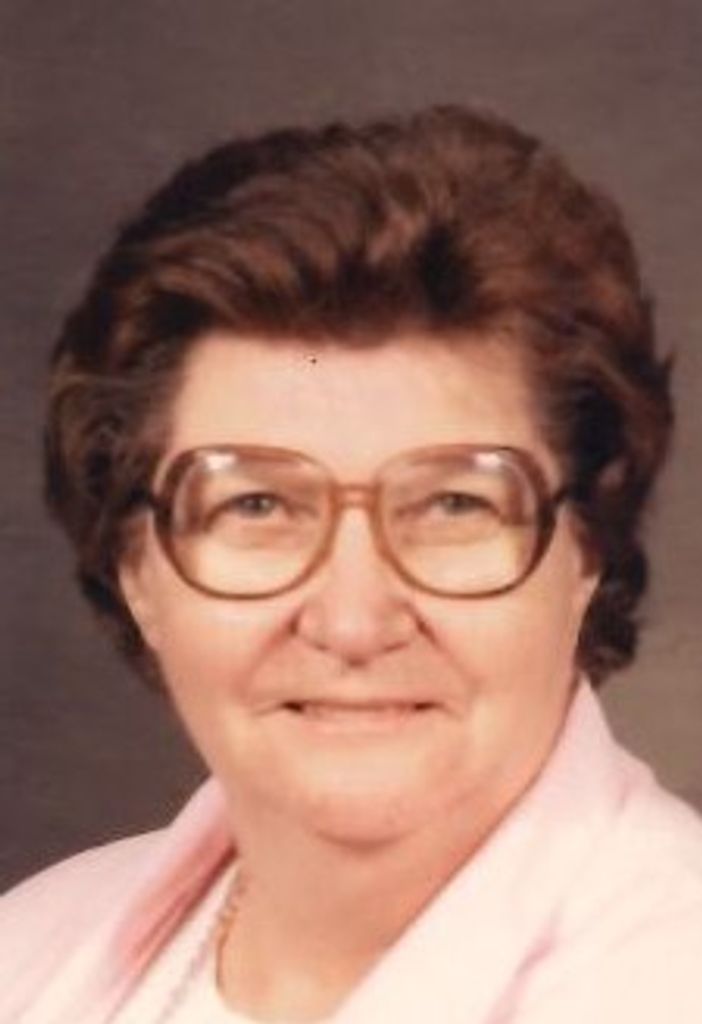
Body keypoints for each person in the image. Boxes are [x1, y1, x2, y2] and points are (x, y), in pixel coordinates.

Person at [2, 103, 701, 1024]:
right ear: (136, 571)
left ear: (587, 553)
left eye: (453, 505)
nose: (353, 620)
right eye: (258, 506)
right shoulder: (26, 950)